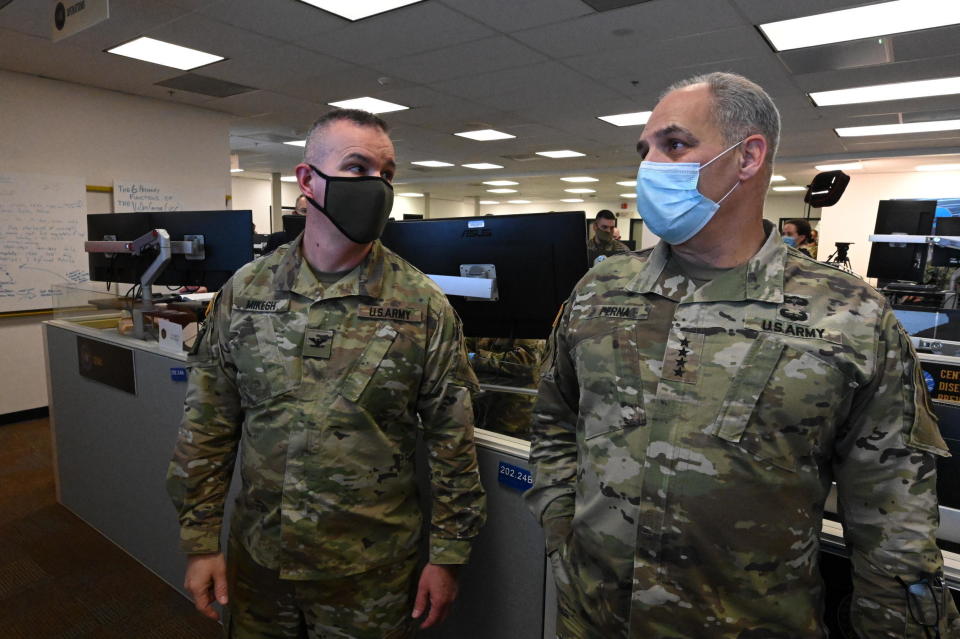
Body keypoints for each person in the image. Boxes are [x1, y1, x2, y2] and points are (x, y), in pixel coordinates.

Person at [525, 71, 959, 638]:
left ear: (748, 157)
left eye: (674, 145)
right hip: (594, 620)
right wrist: (563, 530)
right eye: (645, 150)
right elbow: (556, 420)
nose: (649, 166)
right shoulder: (601, 290)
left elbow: (892, 517)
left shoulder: (850, 315)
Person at [167, 109, 486, 639]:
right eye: (358, 167)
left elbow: (453, 443)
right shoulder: (246, 292)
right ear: (307, 180)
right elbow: (207, 426)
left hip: (371, 574)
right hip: (261, 559)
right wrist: (201, 541)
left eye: (386, 174)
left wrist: (448, 555)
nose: (377, 186)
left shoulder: (421, 304)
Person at [465, 336, 545, 438]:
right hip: (480, 407)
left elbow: (524, 362)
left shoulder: (528, 326)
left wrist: (478, 358)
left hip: (513, 412)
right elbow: (461, 349)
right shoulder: (481, 322)